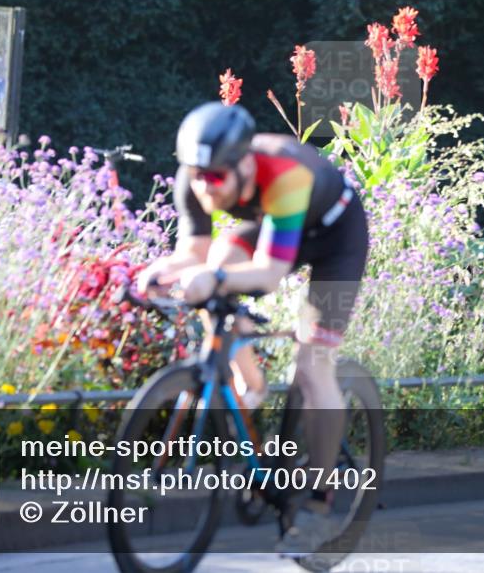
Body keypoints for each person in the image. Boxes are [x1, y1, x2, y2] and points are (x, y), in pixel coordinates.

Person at [136, 101, 369, 556]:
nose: (205, 187)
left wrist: (214, 278)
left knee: (313, 366)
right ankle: (252, 383)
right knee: (216, 266)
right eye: (197, 176)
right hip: (278, 223)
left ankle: (319, 500)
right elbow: (193, 253)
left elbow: (269, 273)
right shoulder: (196, 174)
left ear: (244, 164)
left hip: (336, 238)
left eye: (216, 177)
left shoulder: (284, 174)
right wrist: (159, 271)